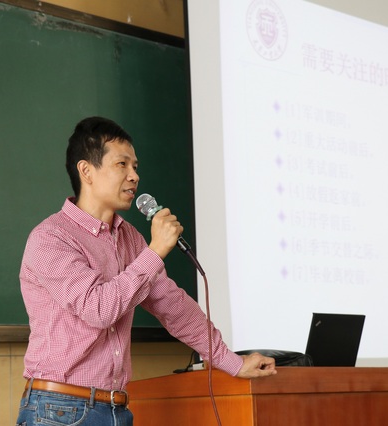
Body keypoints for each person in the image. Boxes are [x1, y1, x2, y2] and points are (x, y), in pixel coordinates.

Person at [16, 116, 276, 426]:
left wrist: (232, 362)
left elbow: (173, 307)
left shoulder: (130, 238)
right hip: (58, 409)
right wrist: (155, 251)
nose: (134, 176)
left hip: (116, 408)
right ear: (86, 171)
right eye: (122, 164)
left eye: (135, 166)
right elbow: (98, 309)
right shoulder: (51, 238)